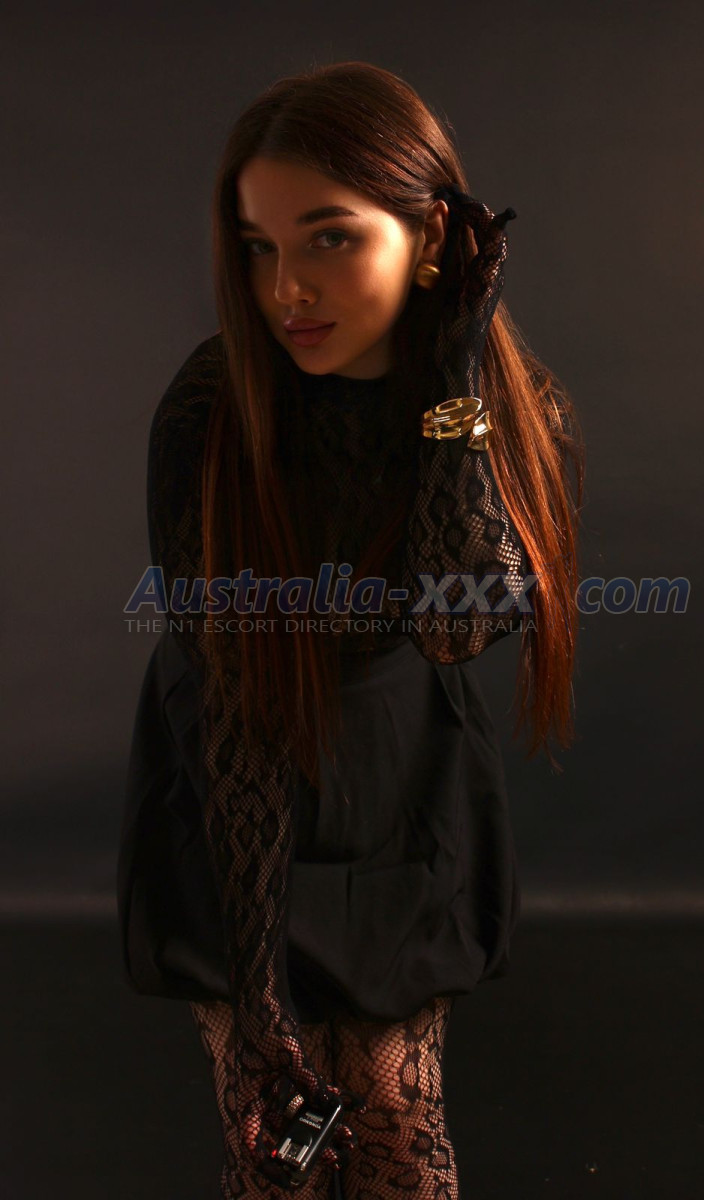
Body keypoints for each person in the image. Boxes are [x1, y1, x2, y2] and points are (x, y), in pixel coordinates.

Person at [119, 60, 584, 1200]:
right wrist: (259, 995)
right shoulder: (208, 411)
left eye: (329, 237)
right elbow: (234, 703)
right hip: (234, 782)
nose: (287, 287)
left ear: (431, 238)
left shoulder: (510, 409)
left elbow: (455, 628)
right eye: (259, 246)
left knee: (387, 1108)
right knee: (272, 1141)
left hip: (399, 788)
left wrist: (452, 369)